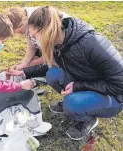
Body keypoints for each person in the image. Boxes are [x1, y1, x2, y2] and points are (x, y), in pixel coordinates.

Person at [7, 6, 123, 140]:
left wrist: (77, 86)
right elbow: (49, 65)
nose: (34, 41)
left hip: (114, 97)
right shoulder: (57, 41)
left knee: (72, 103)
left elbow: (120, 84)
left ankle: (87, 119)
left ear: (45, 31)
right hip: (85, 79)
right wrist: (24, 73)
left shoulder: (93, 43)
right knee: (53, 74)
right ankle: (79, 103)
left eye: (34, 37)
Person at [4, 6, 69, 70]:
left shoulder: (40, 21)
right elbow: (31, 45)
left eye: (19, 31)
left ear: (24, 20)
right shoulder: (27, 22)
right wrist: (24, 62)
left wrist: (30, 64)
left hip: (66, 53)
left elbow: (51, 55)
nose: (19, 34)